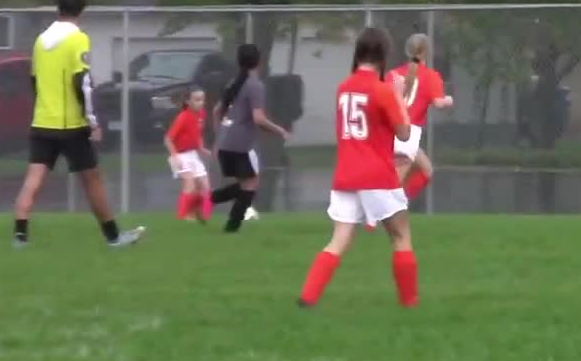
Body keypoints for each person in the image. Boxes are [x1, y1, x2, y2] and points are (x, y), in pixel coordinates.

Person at [11, 0, 145, 247]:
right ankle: (114, 237)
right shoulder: (78, 38)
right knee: (92, 180)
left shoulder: (40, 41)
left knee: (34, 178)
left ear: (58, 9)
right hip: (70, 124)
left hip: (42, 121)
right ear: (81, 11)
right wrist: (92, 120)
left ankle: (20, 236)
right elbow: (82, 81)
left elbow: (35, 80)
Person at [298, 28, 418, 308]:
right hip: (376, 174)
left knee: (338, 239)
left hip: (346, 174)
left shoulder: (344, 87)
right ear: (383, 55)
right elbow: (403, 133)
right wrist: (399, 95)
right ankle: (410, 303)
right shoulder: (382, 90)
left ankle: (307, 297)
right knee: (401, 236)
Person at [366, 33, 453, 230]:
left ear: (407, 51)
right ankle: (374, 217)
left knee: (426, 170)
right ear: (428, 52)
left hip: (390, 129)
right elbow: (439, 103)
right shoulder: (431, 76)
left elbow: (379, 100)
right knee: (394, 179)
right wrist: (449, 100)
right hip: (408, 132)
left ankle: (395, 206)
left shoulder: (393, 74)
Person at [208, 44, 289, 233]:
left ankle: (209, 202)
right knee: (250, 186)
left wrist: (219, 137)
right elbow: (258, 118)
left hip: (227, 142)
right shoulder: (255, 85)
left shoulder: (234, 83)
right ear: (259, 62)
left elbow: (216, 111)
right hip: (239, 144)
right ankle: (229, 225)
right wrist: (280, 131)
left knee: (248, 184)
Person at [164, 87, 213, 222]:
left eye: (202, 99)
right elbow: (168, 139)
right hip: (180, 155)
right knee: (189, 183)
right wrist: (175, 157)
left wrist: (201, 147)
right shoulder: (183, 117)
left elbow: (197, 133)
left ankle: (205, 215)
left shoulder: (201, 114)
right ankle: (182, 216)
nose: (201, 102)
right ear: (188, 101)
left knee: (205, 185)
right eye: (197, 100)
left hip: (192, 154)